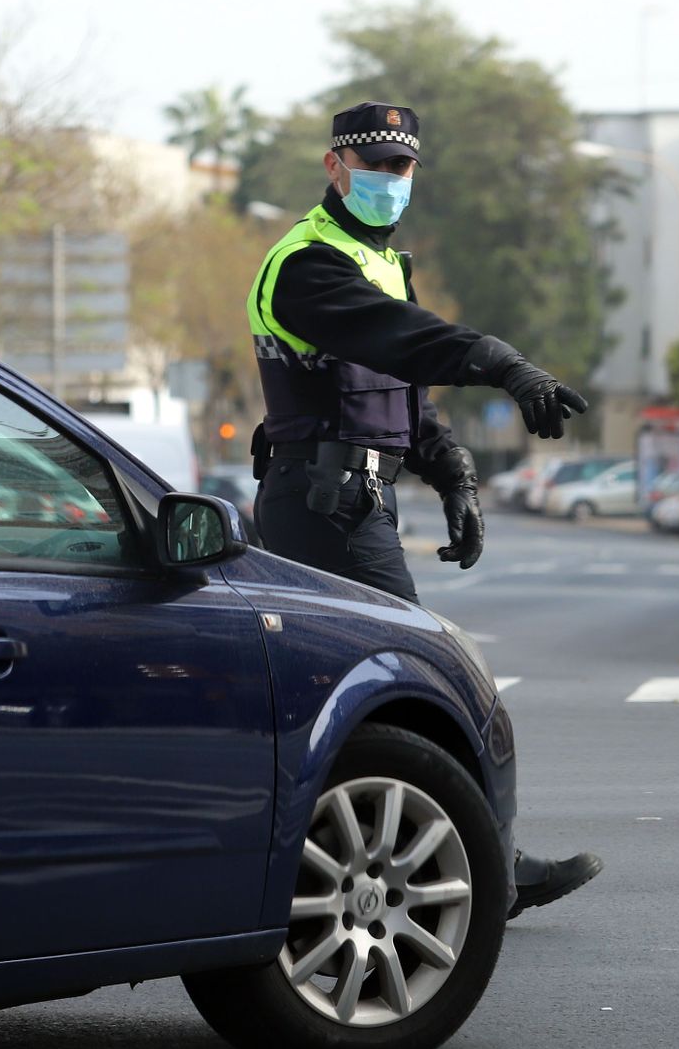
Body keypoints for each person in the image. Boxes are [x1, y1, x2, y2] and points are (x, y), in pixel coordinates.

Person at [246, 100, 602, 919]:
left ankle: (436, 856)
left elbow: (406, 398)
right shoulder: (305, 264)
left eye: (402, 166)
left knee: (370, 693)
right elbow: (405, 339)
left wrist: (454, 477)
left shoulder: (381, 264)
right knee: (422, 679)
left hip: (359, 499)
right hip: (318, 504)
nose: (389, 179)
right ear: (335, 165)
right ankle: (488, 868)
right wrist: (505, 365)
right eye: (372, 164)